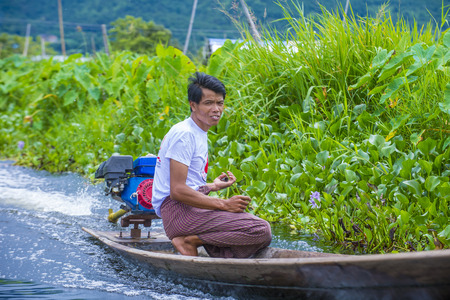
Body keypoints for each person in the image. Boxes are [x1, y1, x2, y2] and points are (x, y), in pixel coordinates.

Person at [151, 72, 272, 258]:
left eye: (220, 103)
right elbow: (176, 190)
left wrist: (212, 186)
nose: (216, 109)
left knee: (247, 236)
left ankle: (197, 242)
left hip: (188, 207)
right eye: (208, 103)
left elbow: (185, 185)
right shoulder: (185, 134)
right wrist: (224, 204)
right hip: (177, 212)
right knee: (260, 229)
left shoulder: (197, 131)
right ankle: (189, 240)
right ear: (193, 105)